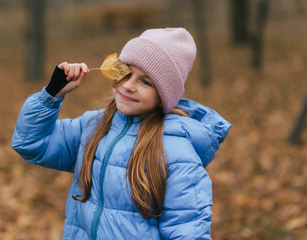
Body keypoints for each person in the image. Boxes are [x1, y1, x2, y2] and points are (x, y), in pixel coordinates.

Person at [12, 28, 231, 240]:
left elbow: (187, 233)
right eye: (126, 73)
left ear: (164, 95)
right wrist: (51, 94)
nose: (128, 86)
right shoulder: (93, 126)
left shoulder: (177, 154)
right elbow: (32, 143)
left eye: (145, 81)